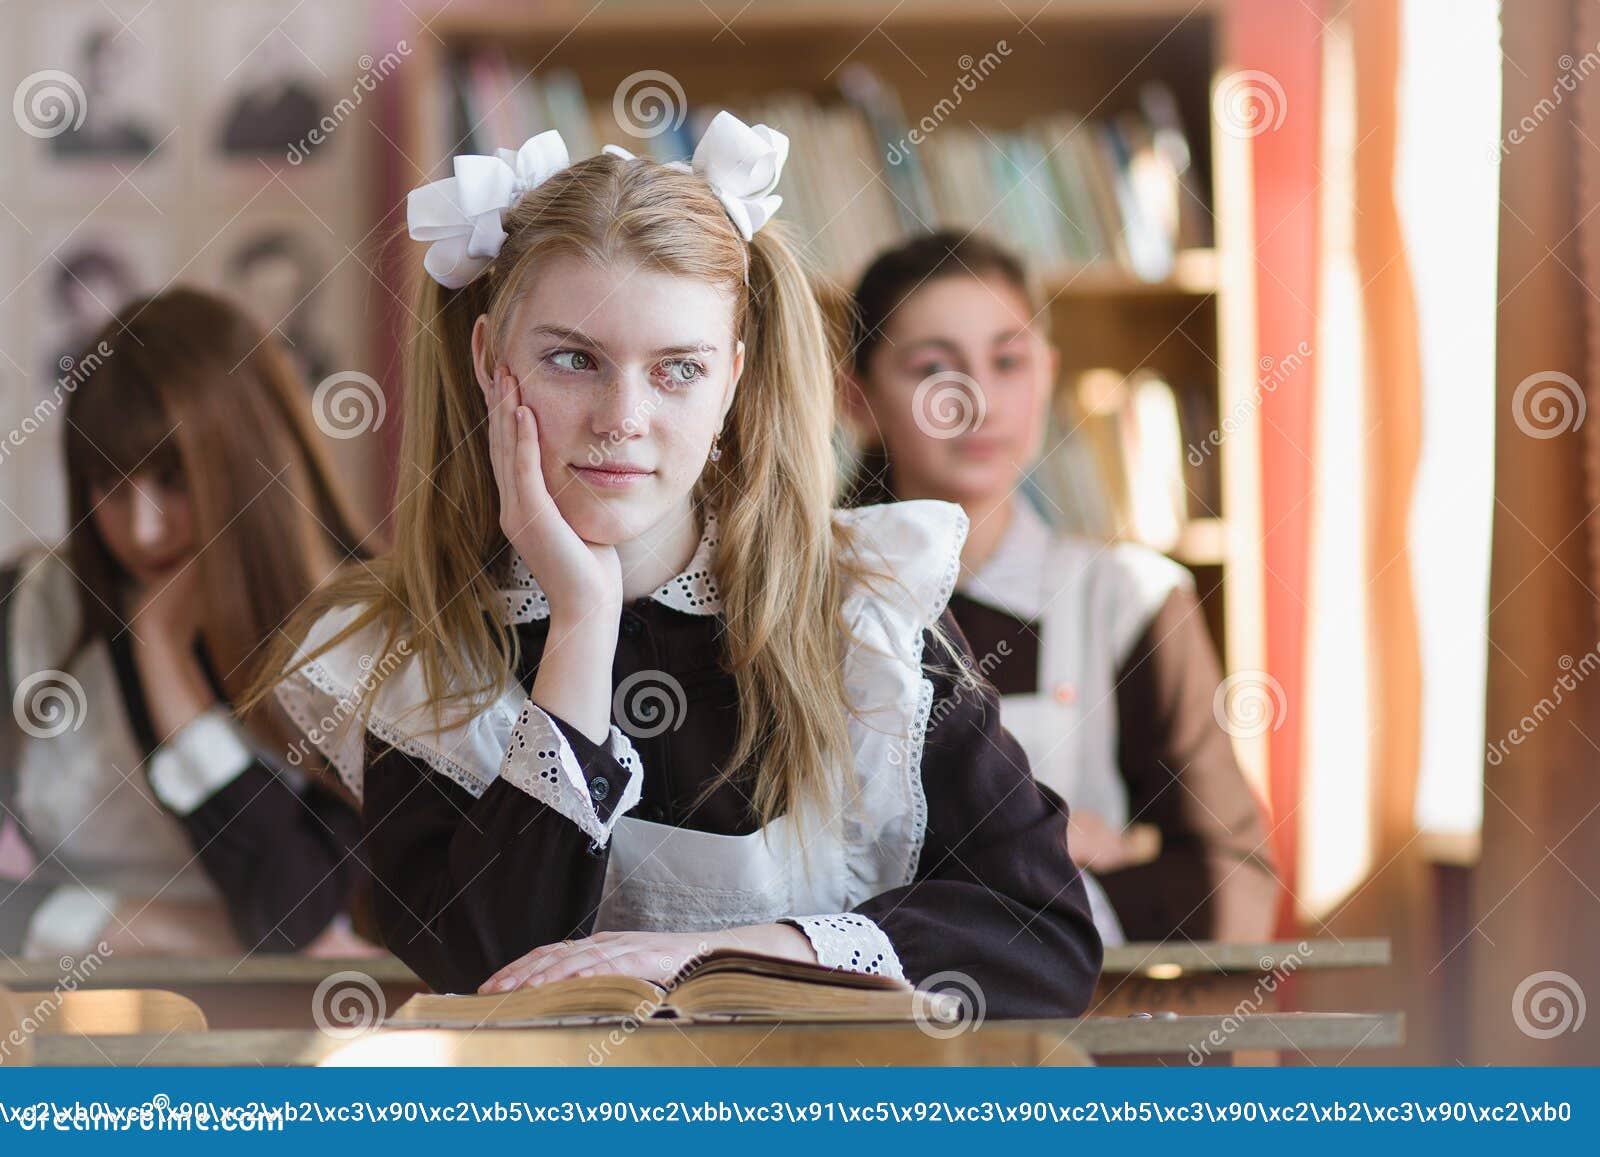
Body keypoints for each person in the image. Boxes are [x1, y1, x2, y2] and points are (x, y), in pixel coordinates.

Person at [255, 112, 1103, 1017]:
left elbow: (1044, 935)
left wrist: (719, 955)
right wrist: (583, 621)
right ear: (489, 359)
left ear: (731, 380)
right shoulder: (408, 656)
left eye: (677, 369)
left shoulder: (864, 611)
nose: (622, 418)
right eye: (573, 359)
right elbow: (491, 969)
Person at [843, 230, 1278, 944]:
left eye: (1008, 361)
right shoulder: (794, 603)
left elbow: (1232, 883)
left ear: (1047, 372)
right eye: (932, 368)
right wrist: (1043, 858)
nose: (977, 401)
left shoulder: (1128, 599)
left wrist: (1020, 909)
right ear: (855, 397)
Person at [0, 287, 377, 959]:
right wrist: (148, 928)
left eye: (173, 481)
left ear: (251, 469)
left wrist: (167, 663)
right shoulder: (27, 607)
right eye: (110, 485)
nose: (143, 530)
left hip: (297, 1016)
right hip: (71, 1004)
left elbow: (294, 914)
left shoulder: (361, 629)